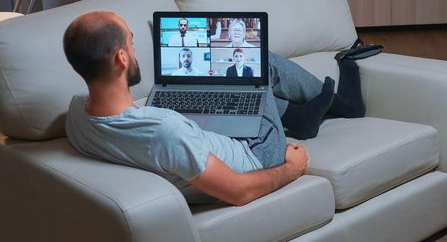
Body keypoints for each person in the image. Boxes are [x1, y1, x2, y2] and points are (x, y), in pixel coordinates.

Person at [63, 11, 365, 206]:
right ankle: (344, 104)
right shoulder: (165, 131)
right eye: (131, 42)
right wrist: (291, 168)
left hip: (201, 141)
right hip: (255, 150)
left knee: (228, 78)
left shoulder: (77, 115)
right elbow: (237, 191)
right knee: (258, 62)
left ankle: (300, 115)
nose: (134, 48)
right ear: (121, 59)